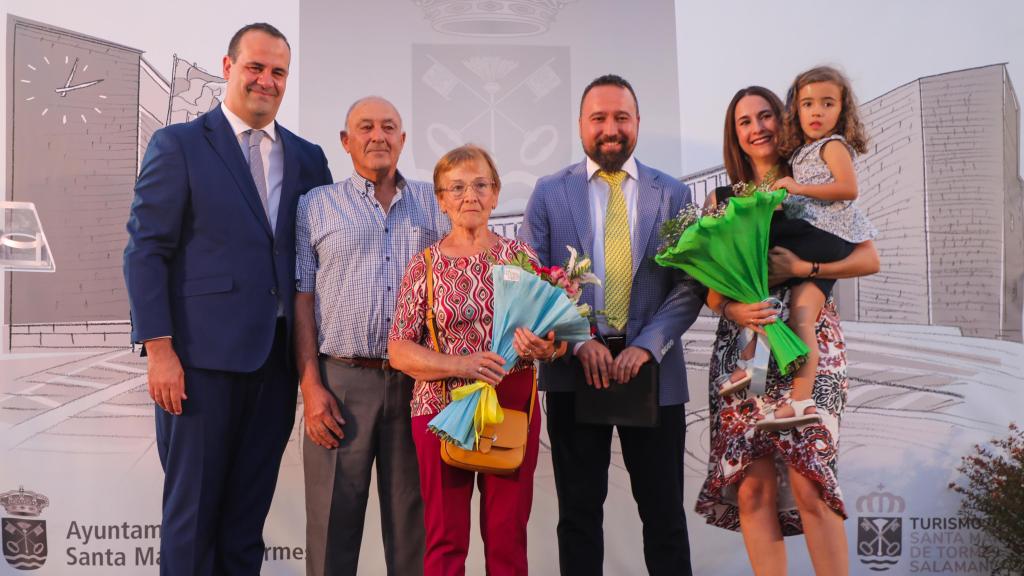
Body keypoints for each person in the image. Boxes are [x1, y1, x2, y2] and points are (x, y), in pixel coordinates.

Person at [123, 23, 332, 576]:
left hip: (274, 365)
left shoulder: (310, 159)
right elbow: (147, 250)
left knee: (245, 525)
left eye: (278, 72)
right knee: (191, 523)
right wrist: (159, 349)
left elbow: (318, 259)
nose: (266, 80)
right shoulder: (180, 144)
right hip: (197, 366)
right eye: (256, 67)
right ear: (228, 66)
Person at [519, 74, 705, 576]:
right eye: (598, 117)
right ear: (581, 125)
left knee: (664, 516)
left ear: (638, 123)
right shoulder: (548, 193)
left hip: (654, 372)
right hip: (573, 372)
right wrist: (579, 342)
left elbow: (689, 286)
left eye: (621, 117)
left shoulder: (673, 194)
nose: (610, 128)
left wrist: (646, 347)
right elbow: (530, 277)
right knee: (579, 516)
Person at [695, 85, 880, 576]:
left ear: (784, 121)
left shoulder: (813, 183)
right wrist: (735, 310)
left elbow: (867, 256)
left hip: (809, 340)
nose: (757, 128)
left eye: (766, 116)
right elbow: (710, 292)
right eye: (744, 122)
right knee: (752, 488)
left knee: (809, 481)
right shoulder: (720, 200)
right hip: (742, 354)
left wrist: (806, 264)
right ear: (735, 136)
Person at [388, 144, 562, 576]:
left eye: (481, 185)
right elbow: (398, 349)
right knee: (445, 541)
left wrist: (548, 346)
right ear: (441, 200)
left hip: (510, 408)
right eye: (458, 187)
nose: (471, 196)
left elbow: (554, 337)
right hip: (440, 411)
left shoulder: (522, 259)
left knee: (507, 537)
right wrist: (460, 365)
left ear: (497, 193)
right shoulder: (423, 266)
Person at [295, 96, 448, 576]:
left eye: (389, 127)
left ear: (403, 140)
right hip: (340, 384)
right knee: (331, 533)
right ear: (346, 141)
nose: (377, 135)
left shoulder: (436, 203)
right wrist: (311, 386)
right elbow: (302, 299)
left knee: (414, 531)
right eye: (365, 127)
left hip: (418, 386)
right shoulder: (315, 206)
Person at [748, 66, 876, 430]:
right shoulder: (805, 152)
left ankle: (751, 363)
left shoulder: (831, 147)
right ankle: (800, 399)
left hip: (826, 235)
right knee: (800, 316)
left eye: (827, 103)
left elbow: (848, 189)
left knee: (754, 237)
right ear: (796, 110)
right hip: (819, 242)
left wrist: (795, 190)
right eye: (807, 104)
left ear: (843, 110)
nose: (816, 112)